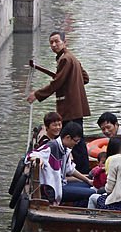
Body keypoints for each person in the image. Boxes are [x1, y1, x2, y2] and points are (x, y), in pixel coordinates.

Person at [27, 31, 91, 175]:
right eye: (51, 42)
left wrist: (36, 95)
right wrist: (69, 82)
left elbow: (57, 83)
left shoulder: (65, 59)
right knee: (76, 139)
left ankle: (81, 171)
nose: (54, 45)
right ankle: (82, 170)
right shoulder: (71, 57)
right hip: (76, 107)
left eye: (57, 41)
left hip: (69, 107)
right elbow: (85, 78)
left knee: (73, 140)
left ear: (64, 41)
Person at [28, 121, 95, 206]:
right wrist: (38, 158)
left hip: (62, 184)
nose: (76, 144)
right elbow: (31, 155)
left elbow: (71, 170)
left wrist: (88, 180)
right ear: (67, 137)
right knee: (93, 192)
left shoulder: (65, 149)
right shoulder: (52, 147)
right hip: (54, 190)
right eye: (76, 141)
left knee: (89, 186)